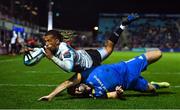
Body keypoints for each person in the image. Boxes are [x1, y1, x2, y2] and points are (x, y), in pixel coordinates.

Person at [25, 13, 139, 73]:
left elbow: (68, 68)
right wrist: (31, 51)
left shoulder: (65, 50)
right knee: (108, 47)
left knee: (109, 48)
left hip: (91, 61)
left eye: (49, 41)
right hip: (84, 54)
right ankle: (122, 25)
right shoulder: (51, 46)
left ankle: (123, 25)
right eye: (45, 41)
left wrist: (51, 58)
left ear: (57, 41)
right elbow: (37, 54)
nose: (46, 44)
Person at [38, 50, 169, 101]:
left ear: (78, 84)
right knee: (152, 90)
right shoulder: (97, 94)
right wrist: (119, 93)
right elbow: (114, 95)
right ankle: (156, 84)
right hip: (130, 83)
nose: (77, 90)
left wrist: (50, 96)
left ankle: (153, 83)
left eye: (75, 88)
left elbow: (67, 83)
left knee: (158, 53)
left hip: (127, 67)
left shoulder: (85, 75)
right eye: (76, 93)